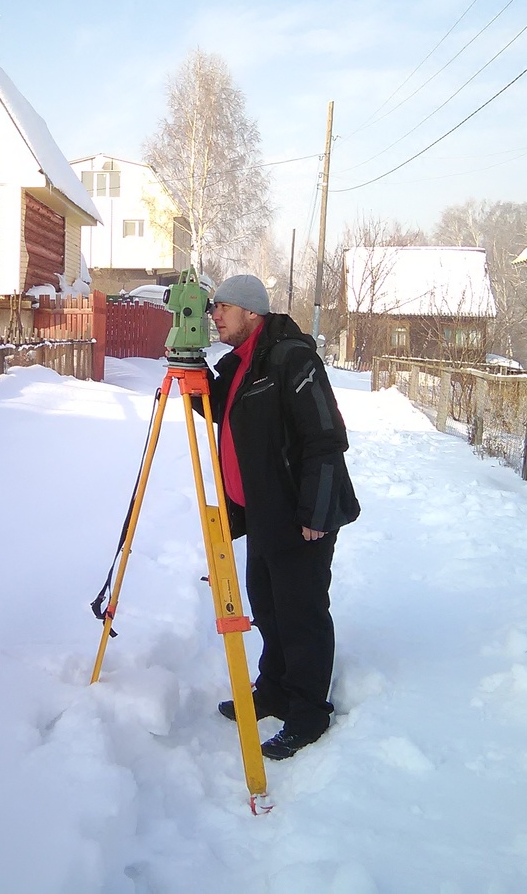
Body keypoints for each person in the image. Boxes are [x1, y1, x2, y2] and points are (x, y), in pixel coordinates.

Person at [200, 273, 360, 759]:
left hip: (299, 515)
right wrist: (187, 371)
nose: (214, 316)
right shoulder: (239, 364)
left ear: (251, 312)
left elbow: (326, 436)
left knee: (301, 615)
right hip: (262, 511)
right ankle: (273, 688)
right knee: (267, 607)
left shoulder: (293, 358)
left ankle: (308, 710)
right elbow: (217, 411)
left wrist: (316, 509)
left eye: (221, 307)